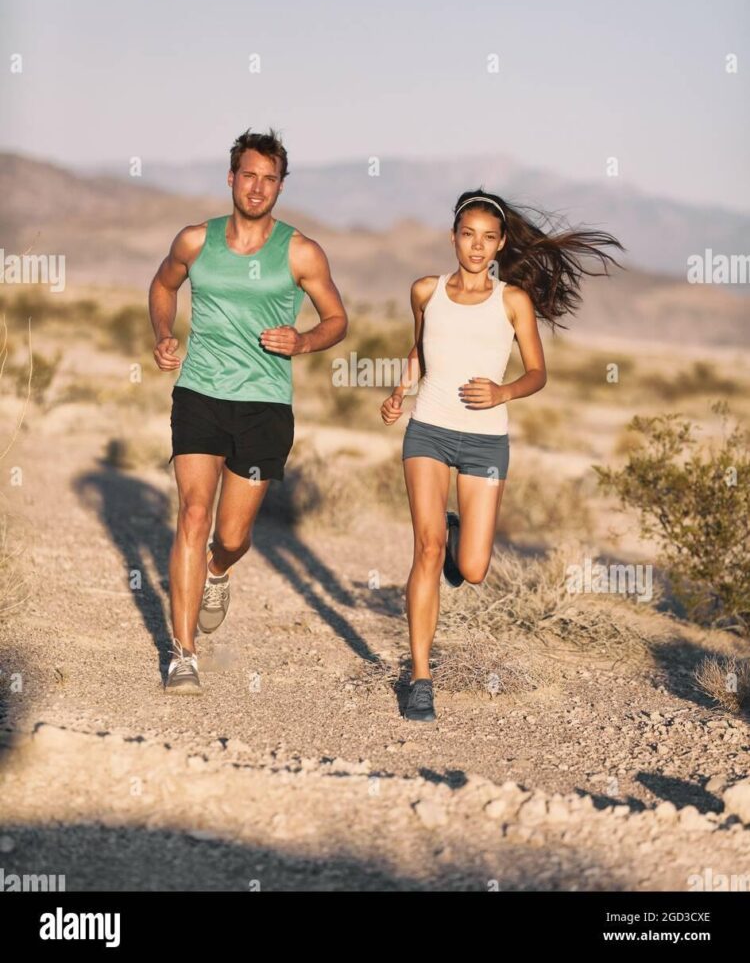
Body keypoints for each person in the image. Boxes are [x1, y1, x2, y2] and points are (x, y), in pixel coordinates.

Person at [380, 189, 624, 721]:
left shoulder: (512, 300)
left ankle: (453, 534)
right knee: (424, 550)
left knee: (472, 567)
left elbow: (537, 372)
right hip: (429, 432)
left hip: (486, 439)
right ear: (453, 237)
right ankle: (421, 678)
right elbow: (420, 347)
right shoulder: (425, 290)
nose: (476, 246)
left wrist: (503, 392)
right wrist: (402, 390)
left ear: (500, 244)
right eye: (468, 234)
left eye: (488, 237)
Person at [149, 128, 348, 693]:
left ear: (281, 185)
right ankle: (183, 654)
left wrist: (303, 341)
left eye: (270, 178)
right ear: (231, 177)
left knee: (231, 535)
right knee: (192, 513)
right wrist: (164, 334)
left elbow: (337, 319)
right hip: (200, 395)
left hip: (264, 405)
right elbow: (161, 287)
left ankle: (217, 569)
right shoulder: (195, 241)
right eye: (249, 175)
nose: (258, 187)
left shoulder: (300, 250)